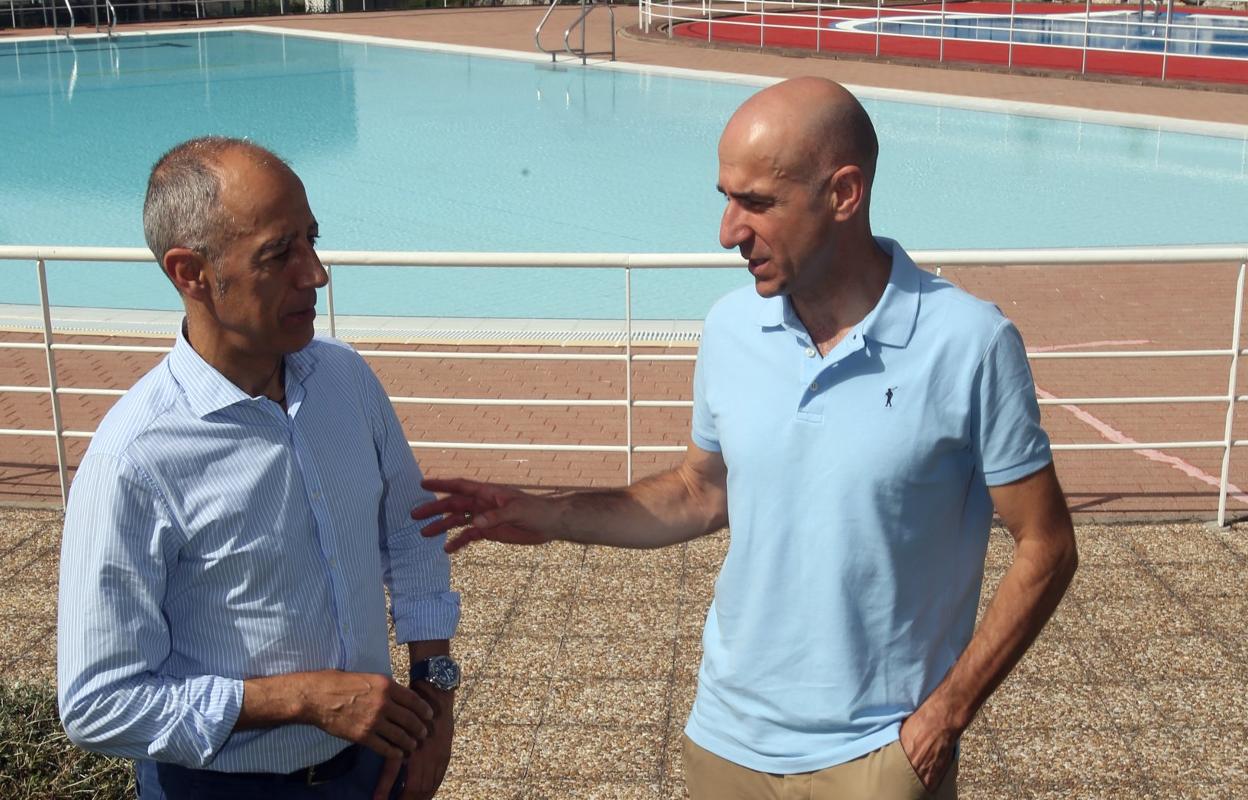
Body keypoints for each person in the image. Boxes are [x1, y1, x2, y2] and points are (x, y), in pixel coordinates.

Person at [413, 78, 1078, 799]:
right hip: (724, 746)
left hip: (879, 756)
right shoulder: (732, 326)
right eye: (726, 198)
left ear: (844, 193)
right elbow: (701, 492)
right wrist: (547, 513)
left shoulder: (970, 343)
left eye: (756, 203)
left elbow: (1047, 546)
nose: (728, 231)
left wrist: (944, 718)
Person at [57, 136, 461, 800]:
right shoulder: (133, 462)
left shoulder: (345, 380)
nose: (316, 274)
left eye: (312, 240)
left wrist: (434, 695)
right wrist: (299, 699)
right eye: (280, 254)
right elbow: (97, 703)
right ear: (190, 272)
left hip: (371, 767)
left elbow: (411, 533)